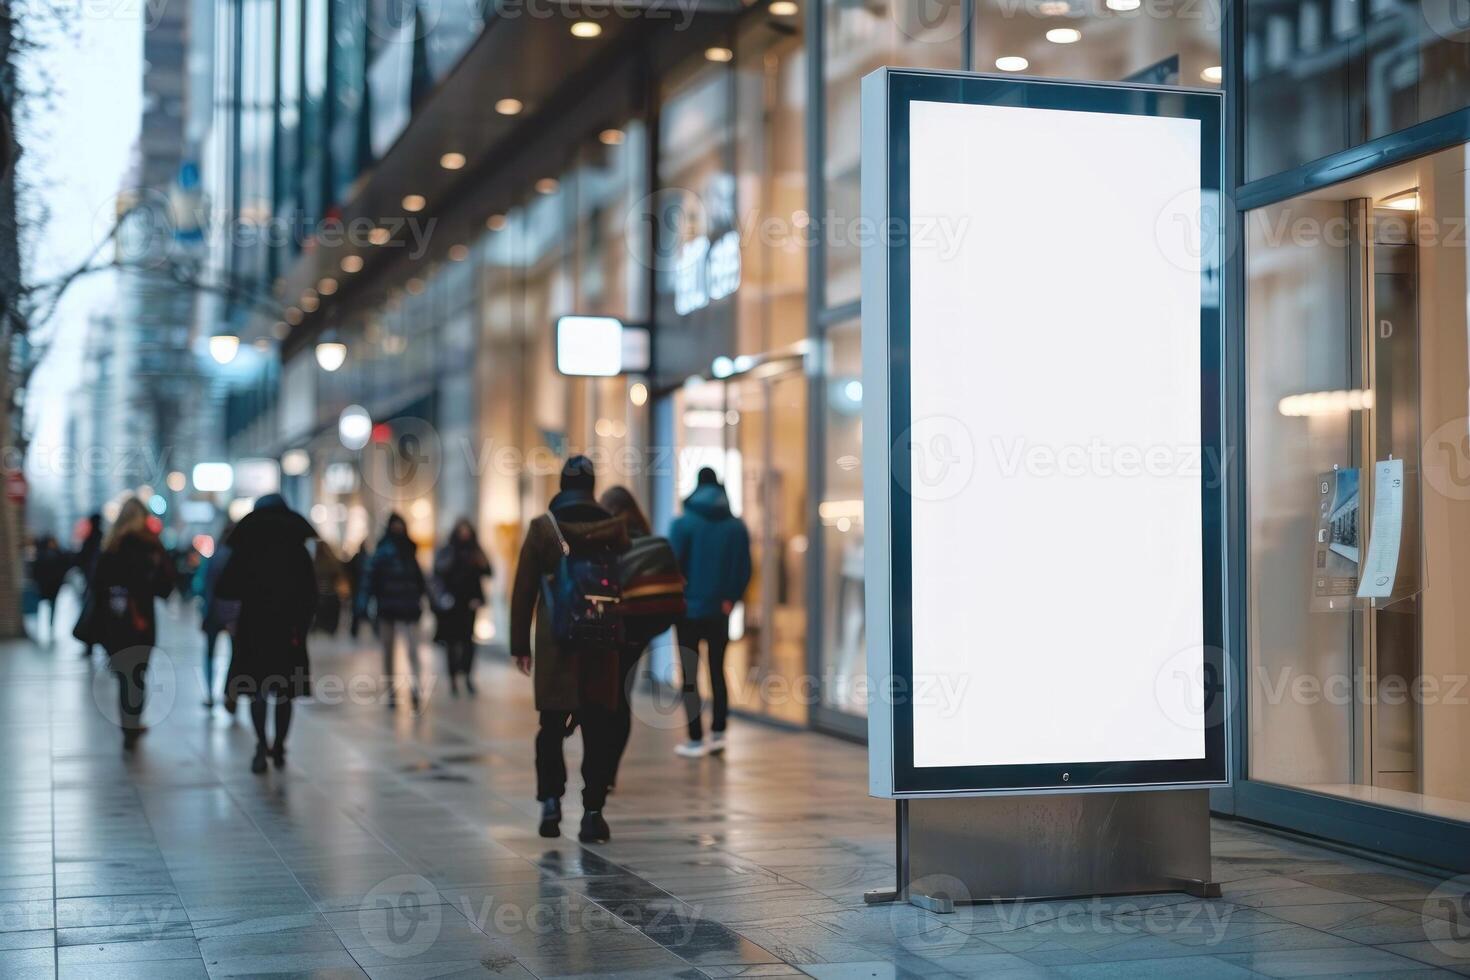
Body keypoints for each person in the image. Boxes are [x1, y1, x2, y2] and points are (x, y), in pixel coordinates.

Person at [511, 456, 629, 844]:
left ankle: (550, 802)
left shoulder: (544, 529)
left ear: (561, 484)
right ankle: (593, 813)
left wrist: (519, 645)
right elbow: (624, 586)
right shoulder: (613, 528)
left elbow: (524, 590)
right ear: (593, 486)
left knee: (550, 728)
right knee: (598, 729)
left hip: (556, 644)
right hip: (601, 645)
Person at [216, 494, 317, 773]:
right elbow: (311, 594)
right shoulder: (297, 549)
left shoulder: (245, 547)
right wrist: (302, 625)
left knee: (256, 689)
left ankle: (261, 744)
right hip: (289, 631)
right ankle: (280, 746)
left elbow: (225, 589)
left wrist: (232, 624)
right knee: (285, 692)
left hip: (253, 629)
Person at [598, 485, 683, 788]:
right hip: (642, 631)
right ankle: (610, 773)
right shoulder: (654, 542)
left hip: (611, 632)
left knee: (606, 700)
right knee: (624, 698)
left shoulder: (605, 544)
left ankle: (601, 769)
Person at [76, 498, 174, 749]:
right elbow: (165, 587)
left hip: (114, 622)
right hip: (142, 620)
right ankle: (132, 722)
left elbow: (96, 585)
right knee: (138, 673)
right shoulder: (150, 546)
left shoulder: (111, 546)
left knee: (124, 673)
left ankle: (128, 722)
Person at [669, 467, 752, 758]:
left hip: (687, 611)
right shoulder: (736, 526)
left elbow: (672, 567)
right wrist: (730, 598)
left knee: (690, 675)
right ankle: (718, 732)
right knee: (718, 670)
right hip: (720, 610)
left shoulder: (683, 523)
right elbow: (744, 568)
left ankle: (694, 738)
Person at [360, 513, 428, 709]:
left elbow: (419, 580)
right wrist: (364, 606)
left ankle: (415, 687)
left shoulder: (409, 551)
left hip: (407, 608)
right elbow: (370, 580)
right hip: (388, 608)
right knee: (388, 651)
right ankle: (391, 690)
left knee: (412, 650)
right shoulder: (382, 551)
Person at [431, 518, 491, 697]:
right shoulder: (448, 550)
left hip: (470, 604)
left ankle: (467, 676)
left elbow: (487, 571)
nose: (464, 534)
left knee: (468, 642)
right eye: (461, 530)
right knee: (452, 642)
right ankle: (453, 678)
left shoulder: (476, 551)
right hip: (451, 603)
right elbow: (438, 572)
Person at [192, 521, 235, 710]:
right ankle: (230, 692)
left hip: (212, 612)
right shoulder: (238, 557)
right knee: (236, 653)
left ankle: (209, 693)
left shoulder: (212, 557)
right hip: (235, 614)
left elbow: (199, 586)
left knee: (210, 653)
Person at [30, 534, 72, 640]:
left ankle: (50, 625)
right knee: (47, 605)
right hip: (47, 585)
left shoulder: (53, 554)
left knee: (51, 606)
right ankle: (45, 625)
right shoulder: (46, 554)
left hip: (52, 585)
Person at [74, 512, 104, 658]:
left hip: (92, 584)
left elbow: (80, 559)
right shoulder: (103, 538)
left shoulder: (90, 539)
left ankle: (89, 646)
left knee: (90, 614)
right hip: (100, 584)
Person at [313, 541, 350, 635]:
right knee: (330, 623)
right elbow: (339, 578)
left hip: (319, 596)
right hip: (331, 596)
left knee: (321, 621)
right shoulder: (333, 562)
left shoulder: (314, 563)